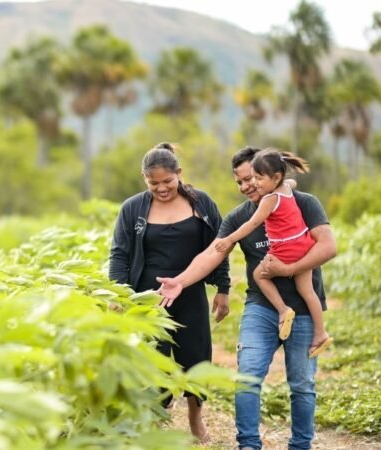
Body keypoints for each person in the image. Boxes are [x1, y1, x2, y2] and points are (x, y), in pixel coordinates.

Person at [156, 146, 337, 450]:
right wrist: (181, 282)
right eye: (239, 182)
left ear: (268, 176)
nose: (245, 186)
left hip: (304, 308)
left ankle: (300, 446)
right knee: (247, 379)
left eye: (250, 178)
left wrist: (289, 268)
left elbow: (328, 247)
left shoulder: (304, 203)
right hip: (261, 308)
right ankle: (249, 445)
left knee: (302, 386)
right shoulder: (239, 217)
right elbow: (212, 253)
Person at [108, 142, 231, 443]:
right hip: (147, 297)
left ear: (180, 173)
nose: (162, 188)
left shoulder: (201, 203)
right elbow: (120, 254)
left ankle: (195, 416)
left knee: (195, 354)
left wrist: (223, 288)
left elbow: (220, 246)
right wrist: (119, 294)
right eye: (154, 183)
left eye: (168, 181)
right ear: (144, 178)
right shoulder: (133, 208)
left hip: (190, 292)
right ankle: (157, 415)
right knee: (152, 356)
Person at [213, 149, 333, 358]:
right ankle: (320, 333)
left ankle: (282, 310)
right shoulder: (286, 187)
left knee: (260, 275)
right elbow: (291, 183)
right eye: (242, 182)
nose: (254, 185)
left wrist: (230, 239)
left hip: (285, 250)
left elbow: (253, 223)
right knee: (308, 292)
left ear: (275, 177)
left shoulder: (269, 200)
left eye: (256, 178)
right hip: (302, 246)